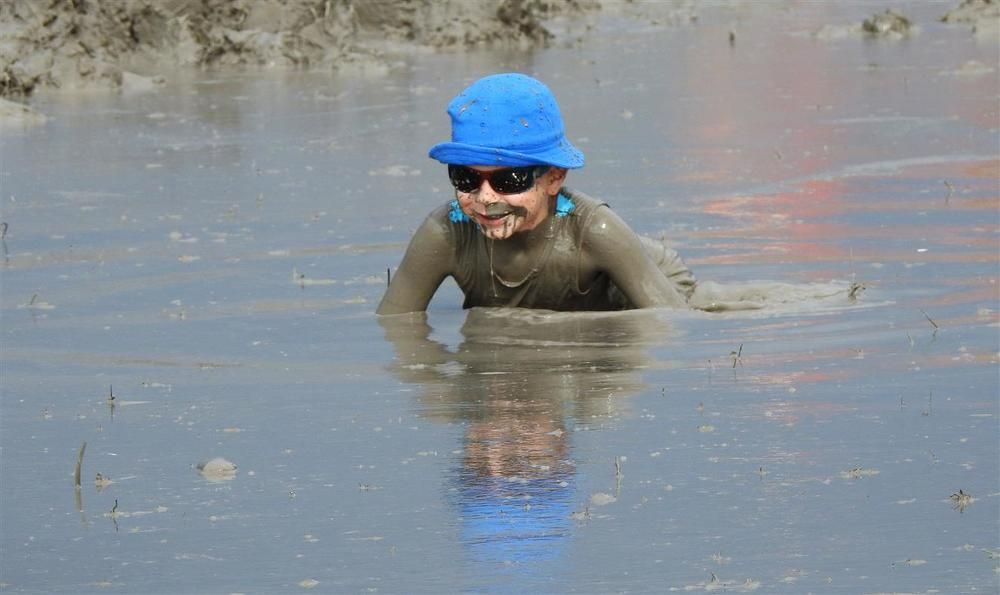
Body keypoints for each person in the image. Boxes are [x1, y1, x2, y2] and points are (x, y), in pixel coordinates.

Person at [376, 73, 696, 315]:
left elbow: (671, 322)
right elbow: (394, 325)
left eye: (509, 180)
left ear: (554, 178)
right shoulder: (446, 232)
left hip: (651, 278)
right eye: (466, 177)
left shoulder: (596, 231)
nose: (485, 197)